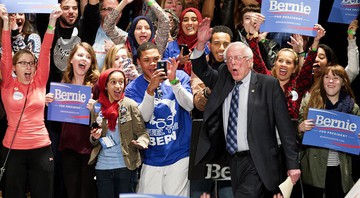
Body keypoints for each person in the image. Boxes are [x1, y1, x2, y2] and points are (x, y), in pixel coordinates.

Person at [191, 18, 301, 197]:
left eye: (238, 58)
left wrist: (293, 165)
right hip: (233, 160)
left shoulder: (268, 85)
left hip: (259, 159)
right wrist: (201, 43)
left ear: (250, 62)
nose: (233, 63)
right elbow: (201, 69)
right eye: (229, 59)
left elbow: (285, 127)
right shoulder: (223, 80)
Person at [0, 4, 62, 198]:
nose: (28, 66)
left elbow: (45, 50)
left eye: (31, 63)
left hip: (41, 149)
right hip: (13, 149)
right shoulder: (8, 83)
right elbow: (6, 54)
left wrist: (52, 22)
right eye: (23, 63)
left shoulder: (39, 81)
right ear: (14, 67)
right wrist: (5, 24)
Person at [125, 42, 193, 196]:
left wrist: (174, 82)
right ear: (138, 62)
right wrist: (150, 90)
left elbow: (190, 106)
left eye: (156, 59)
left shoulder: (179, 76)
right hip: (151, 156)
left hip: (179, 153)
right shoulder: (133, 88)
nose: (153, 64)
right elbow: (143, 118)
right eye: (147, 60)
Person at [46, 42, 100, 198]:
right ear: (71, 59)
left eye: (88, 57)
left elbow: (104, 116)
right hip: (68, 146)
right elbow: (56, 123)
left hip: (89, 147)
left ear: (91, 63)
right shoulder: (63, 85)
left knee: (87, 193)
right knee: (72, 192)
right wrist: (50, 103)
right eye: (80, 55)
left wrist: (94, 109)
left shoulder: (96, 87)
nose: (84, 59)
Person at [297, 65, 359, 197]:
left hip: (340, 171)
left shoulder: (353, 108)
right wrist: (300, 129)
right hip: (313, 171)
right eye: (327, 77)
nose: (331, 81)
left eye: (336, 78)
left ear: (343, 82)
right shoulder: (309, 101)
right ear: (322, 80)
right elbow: (296, 138)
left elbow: (356, 144)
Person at [87, 68, 149, 197]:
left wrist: (141, 142)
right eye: (113, 82)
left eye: (121, 82)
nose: (118, 86)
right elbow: (93, 140)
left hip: (126, 167)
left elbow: (142, 133)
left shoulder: (130, 105)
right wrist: (94, 137)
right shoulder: (97, 107)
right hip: (103, 168)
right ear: (105, 85)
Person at [189, 25, 233, 198]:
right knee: (199, 194)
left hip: (229, 143)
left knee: (229, 194)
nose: (221, 48)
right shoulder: (200, 67)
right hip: (203, 140)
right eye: (216, 43)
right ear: (209, 45)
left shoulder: (237, 69)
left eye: (225, 43)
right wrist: (208, 92)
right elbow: (198, 104)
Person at [103, 0, 170, 62]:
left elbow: (165, 21)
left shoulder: (157, 44)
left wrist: (150, 1)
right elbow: (108, 26)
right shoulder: (125, 42)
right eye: (138, 28)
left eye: (147, 28)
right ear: (132, 32)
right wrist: (124, 3)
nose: (143, 31)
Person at [163, 7, 210, 75]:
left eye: (194, 20)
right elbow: (163, 69)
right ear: (181, 23)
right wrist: (178, 62)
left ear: (199, 22)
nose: (189, 23)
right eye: (185, 20)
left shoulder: (206, 46)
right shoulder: (170, 46)